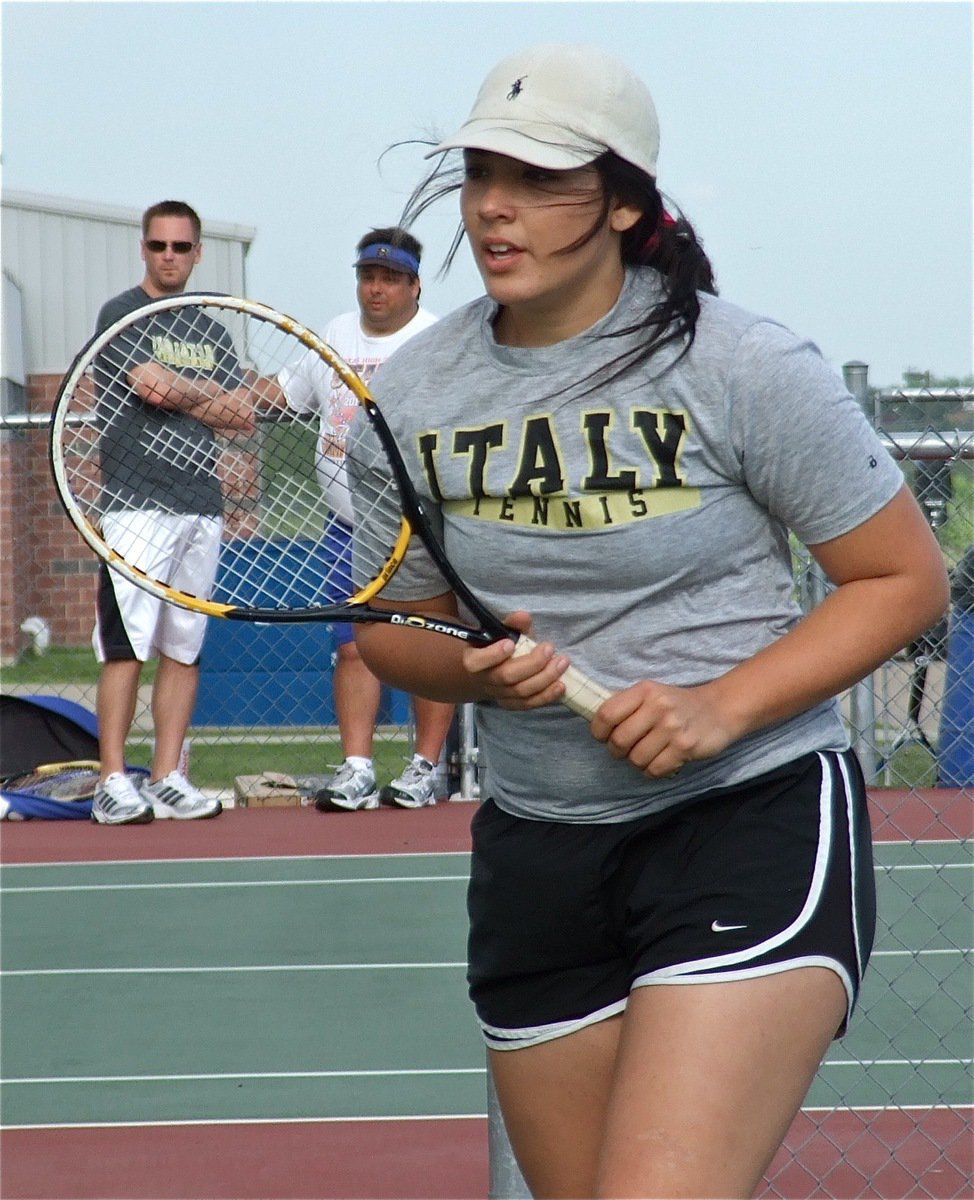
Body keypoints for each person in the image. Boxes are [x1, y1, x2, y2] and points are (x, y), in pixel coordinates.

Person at [349, 45, 951, 1198]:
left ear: (624, 201)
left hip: (746, 819)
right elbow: (393, 629)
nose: (493, 209)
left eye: (538, 180)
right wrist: (474, 678)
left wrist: (715, 709)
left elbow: (899, 581)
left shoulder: (741, 365)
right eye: (480, 174)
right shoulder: (414, 395)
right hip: (539, 846)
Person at [277, 227, 455, 811]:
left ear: (413, 285)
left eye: (390, 279)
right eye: (367, 276)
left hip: (419, 529)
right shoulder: (332, 335)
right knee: (354, 647)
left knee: (429, 650)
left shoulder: (436, 341)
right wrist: (195, 396)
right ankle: (357, 769)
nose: (376, 289)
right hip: (347, 528)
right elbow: (280, 396)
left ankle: (425, 768)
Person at [91, 200, 256, 825]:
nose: (169, 257)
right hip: (136, 508)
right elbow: (148, 387)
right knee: (126, 647)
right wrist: (207, 396)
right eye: (158, 246)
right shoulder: (121, 314)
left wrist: (188, 394)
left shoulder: (211, 330)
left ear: (196, 253)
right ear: (143, 249)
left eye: (180, 248)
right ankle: (113, 779)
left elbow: (241, 415)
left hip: (200, 507)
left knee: (184, 648)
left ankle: (165, 777)